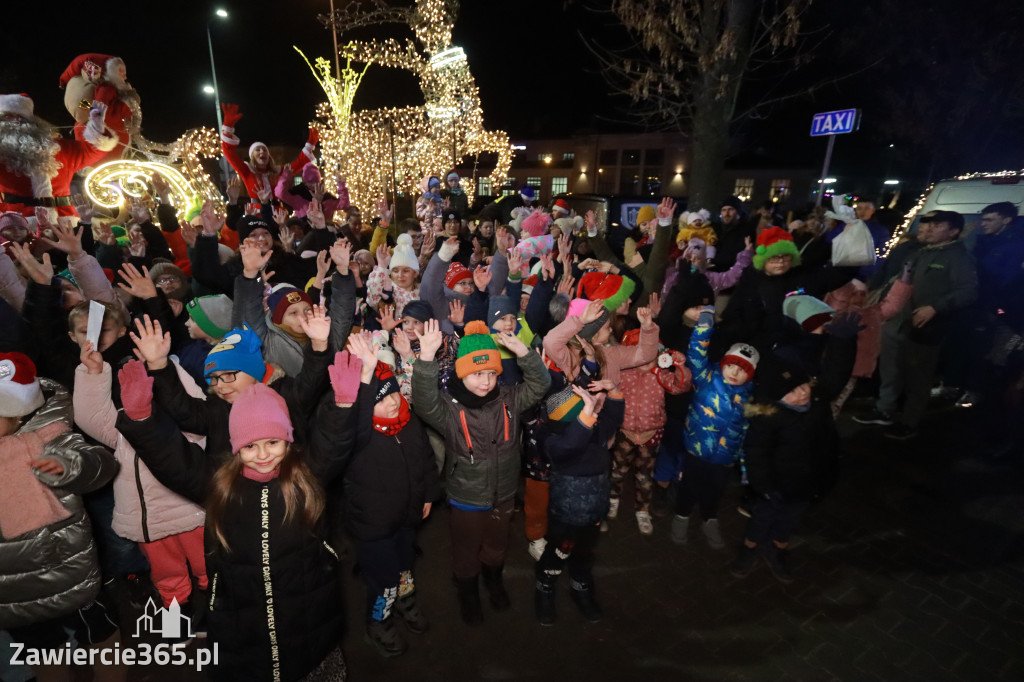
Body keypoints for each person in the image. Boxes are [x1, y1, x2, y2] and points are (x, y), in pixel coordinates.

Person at [115, 348, 366, 681]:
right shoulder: (219, 485)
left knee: (312, 664)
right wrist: (142, 419)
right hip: (240, 616)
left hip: (308, 608)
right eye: (249, 446)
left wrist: (344, 405)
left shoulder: (306, 477)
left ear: (288, 441)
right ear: (235, 447)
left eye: (273, 442)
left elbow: (332, 444)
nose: (262, 455)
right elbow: (174, 460)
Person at [411, 319, 550, 625]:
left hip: (504, 492)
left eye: (491, 373)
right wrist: (426, 359)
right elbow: (423, 403)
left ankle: (493, 579)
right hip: (467, 496)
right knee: (466, 548)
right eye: (477, 373)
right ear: (462, 373)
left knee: (497, 544)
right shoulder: (449, 409)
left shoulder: (510, 398)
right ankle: (468, 591)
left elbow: (541, 385)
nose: (486, 381)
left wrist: (524, 353)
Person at [0, 352, 122, 681]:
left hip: (65, 570)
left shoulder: (49, 435)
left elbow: (101, 463)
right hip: (11, 589)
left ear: (17, 414)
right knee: (40, 650)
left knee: (99, 632)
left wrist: (69, 465)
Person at [729, 316, 858, 583]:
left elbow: (836, 374)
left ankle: (778, 550)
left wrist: (843, 342)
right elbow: (756, 453)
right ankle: (749, 549)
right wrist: (763, 486)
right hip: (774, 486)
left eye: (803, 385)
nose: (802, 393)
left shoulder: (817, 401)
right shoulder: (767, 417)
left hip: (807, 484)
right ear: (777, 397)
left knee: (788, 521)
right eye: (792, 391)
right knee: (761, 520)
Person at [341, 336, 438, 657]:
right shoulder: (359, 436)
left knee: (405, 566)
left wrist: (428, 494)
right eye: (381, 399)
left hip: (407, 516)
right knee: (383, 580)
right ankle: (378, 621)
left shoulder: (409, 423)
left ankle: (405, 600)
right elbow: (345, 426)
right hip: (374, 527)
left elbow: (426, 459)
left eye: (394, 393)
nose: (393, 402)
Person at [855, 211, 978, 440]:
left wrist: (935, 308)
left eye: (937, 225)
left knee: (918, 378)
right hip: (897, 322)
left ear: (954, 231)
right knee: (890, 371)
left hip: (924, 328)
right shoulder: (921, 251)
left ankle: (909, 422)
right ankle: (885, 410)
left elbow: (968, 292)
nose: (929, 228)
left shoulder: (958, 257)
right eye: (928, 224)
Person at [535, 382, 625, 625]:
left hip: (594, 514)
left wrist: (614, 390)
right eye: (587, 412)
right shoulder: (554, 442)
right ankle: (545, 585)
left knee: (585, 554)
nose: (595, 414)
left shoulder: (594, 430)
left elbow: (613, 418)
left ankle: (580, 586)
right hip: (565, 519)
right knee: (558, 553)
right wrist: (588, 412)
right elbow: (571, 443)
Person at [670, 307, 757, 549]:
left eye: (743, 369)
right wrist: (705, 323)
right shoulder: (707, 377)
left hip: (725, 457)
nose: (735, 372)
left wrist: (742, 462)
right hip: (697, 450)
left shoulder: (751, 397)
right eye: (732, 365)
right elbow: (696, 353)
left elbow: (748, 429)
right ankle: (681, 515)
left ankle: (709, 518)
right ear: (724, 363)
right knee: (689, 486)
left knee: (715, 490)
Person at [0, 94, 117, 221]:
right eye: (5, 118)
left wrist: (97, 126)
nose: (14, 122)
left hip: (63, 219)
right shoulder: (2, 153)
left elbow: (92, 151)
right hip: (18, 223)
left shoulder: (58, 148)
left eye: (20, 117)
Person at [219, 102, 316, 200]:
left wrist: (310, 144)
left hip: (279, 209)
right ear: (252, 156)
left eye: (265, 150)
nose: (262, 152)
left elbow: (299, 163)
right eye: (257, 150)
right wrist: (227, 129)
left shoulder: (278, 171)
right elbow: (229, 152)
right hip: (257, 209)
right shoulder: (247, 171)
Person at [710, 196, 755, 273]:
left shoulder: (746, 230)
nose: (726, 214)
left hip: (734, 272)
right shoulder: (714, 228)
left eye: (731, 209)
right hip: (712, 271)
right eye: (724, 210)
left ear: (738, 212)